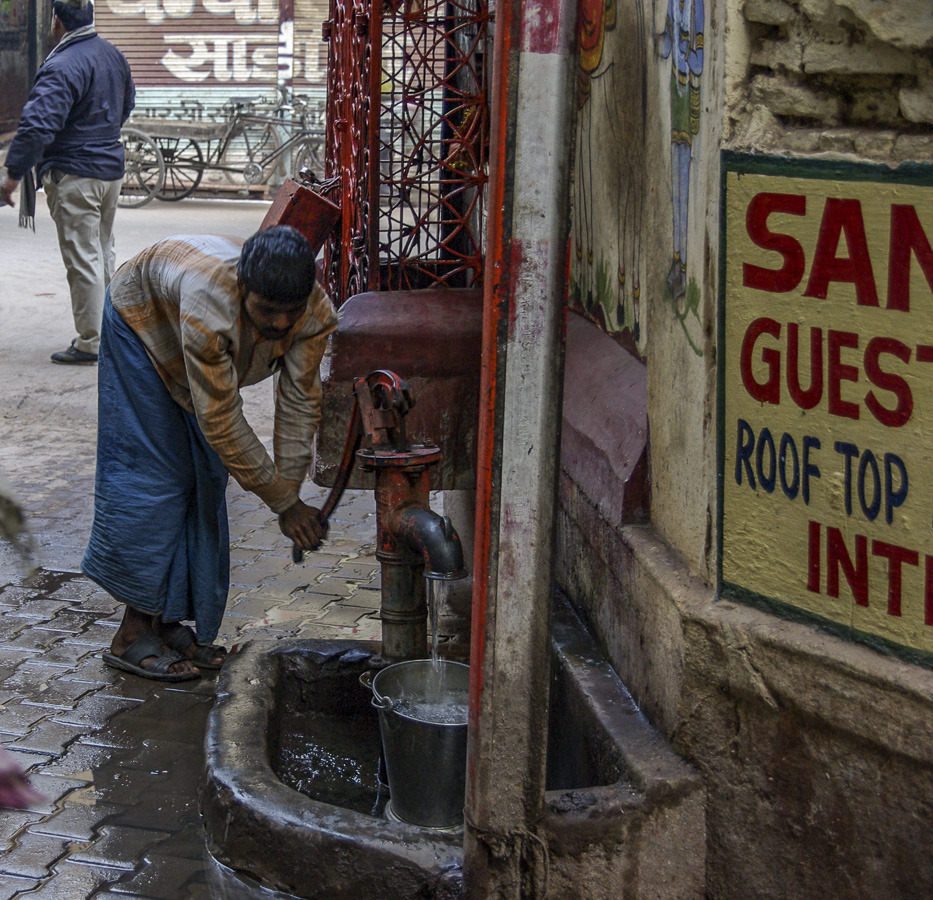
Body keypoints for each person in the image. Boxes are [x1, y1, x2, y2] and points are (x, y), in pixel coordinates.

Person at [81, 226, 338, 681]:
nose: (280, 324)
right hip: (141, 323)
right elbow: (219, 418)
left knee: (205, 478)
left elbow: (299, 404)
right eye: (266, 310)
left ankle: (164, 621)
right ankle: (130, 633)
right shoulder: (209, 301)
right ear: (243, 290)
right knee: (161, 480)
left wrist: (290, 494)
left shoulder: (315, 314)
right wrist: (283, 502)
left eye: (290, 312)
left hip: (184, 332)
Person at [0, 0, 135, 365]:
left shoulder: (62, 64)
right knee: (102, 252)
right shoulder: (112, 55)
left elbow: (36, 126)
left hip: (77, 174)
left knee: (84, 258)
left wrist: (12, 176)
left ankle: (92, 342)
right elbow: (127, 105)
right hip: (109, 173)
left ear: (56, 21)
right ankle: (112, 332)